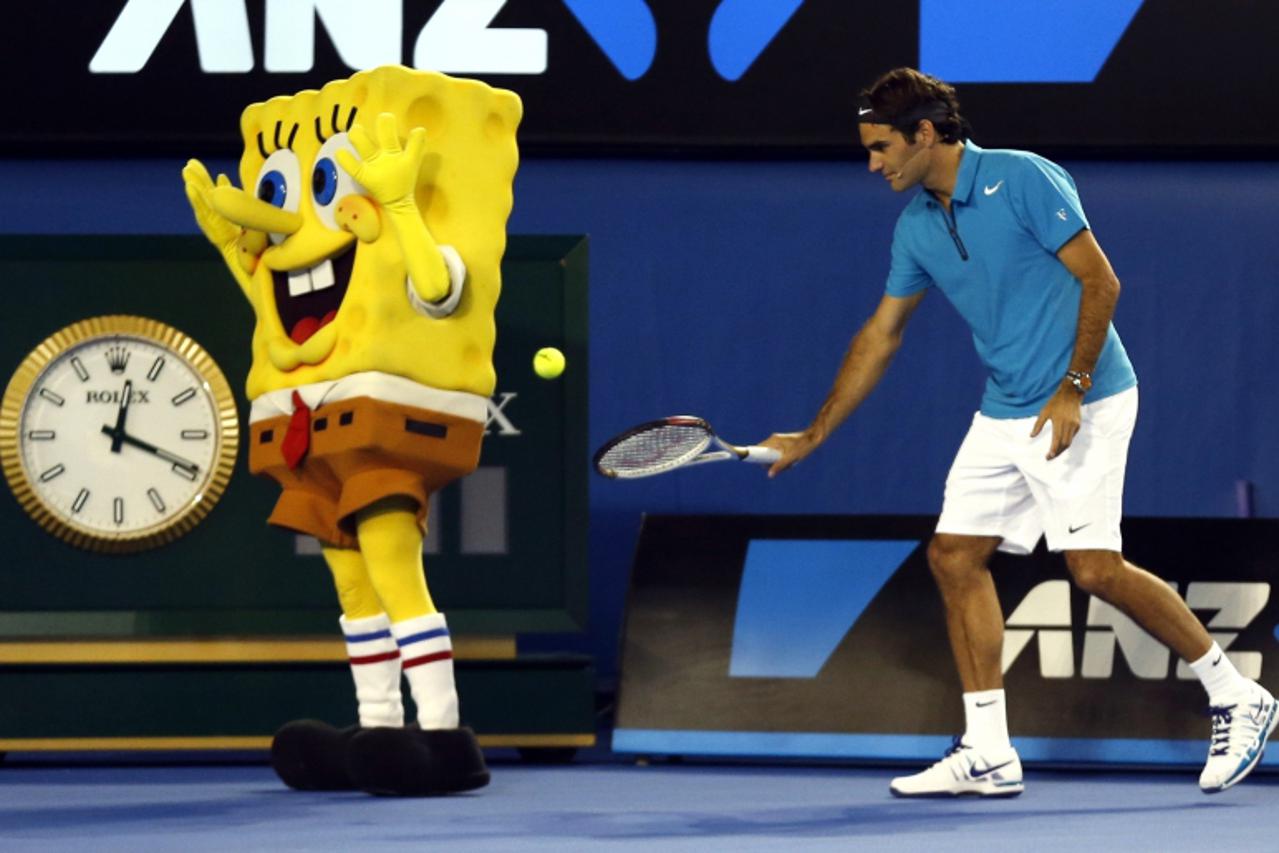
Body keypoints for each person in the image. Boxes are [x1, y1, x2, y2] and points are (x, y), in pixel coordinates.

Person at [760, 67, 1276, 797]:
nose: (873, 165)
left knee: (1093, 569)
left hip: (1085, 399)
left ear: (925, 133)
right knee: (952, 556)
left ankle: (1236, 694)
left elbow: (1101, 281)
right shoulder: (916, 228)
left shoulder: (1023, 178)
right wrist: (813, 435)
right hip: (1004, 409)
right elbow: (880, 335)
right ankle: (989, 750)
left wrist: (1073, 387)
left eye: (881, 147)